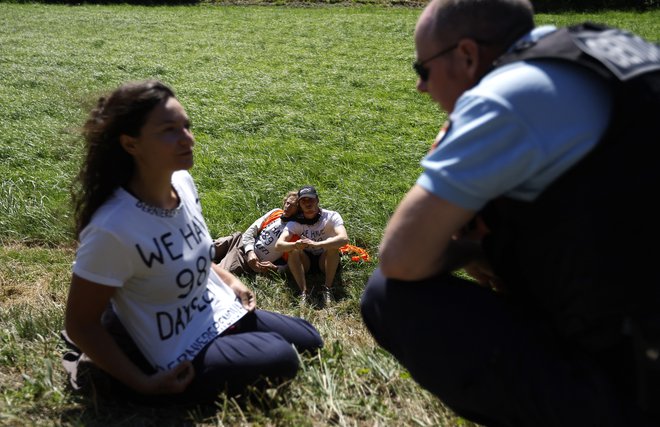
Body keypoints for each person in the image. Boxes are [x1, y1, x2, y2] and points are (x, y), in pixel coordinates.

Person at [360, 0, 660, 425]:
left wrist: (474, 247)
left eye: (422, 69)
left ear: (466, 55)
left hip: (635, 379)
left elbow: (401, 258)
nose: (421, 88)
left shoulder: (509, 96)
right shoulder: (615, 54)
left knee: (388, 296)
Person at [63, 80, 323, 405]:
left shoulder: (182, 183)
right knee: (280, 357)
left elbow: (190, 253)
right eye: (169, 130)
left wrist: (228, 280)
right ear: (131, 144)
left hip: (213, 309)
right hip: (174, 344)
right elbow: (79, 323)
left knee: (310, 340)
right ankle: (111, 368)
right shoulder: (112, 227)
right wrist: (143, 383)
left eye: (186, 126)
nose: (188, 138)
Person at [275, 186, 349, 305]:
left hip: (325, 258)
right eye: (303, 201)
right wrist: (295, 244)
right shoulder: (295, 222)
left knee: (333, 246)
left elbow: (344, 239)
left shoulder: (331, 216)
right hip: (306, 261)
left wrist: (318, 244)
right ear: (299, 204)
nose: (307, 203)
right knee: (292, 250)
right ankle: (304, 292)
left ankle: (327, 288)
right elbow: (279, 245)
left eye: (311, 199)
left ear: (317, 200)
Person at [212, 191, 299, 275]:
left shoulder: (296, 232)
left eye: (293, 206)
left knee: (218, 273)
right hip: (240, 241)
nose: (288, 207)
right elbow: (251, 230)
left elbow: (295, 265)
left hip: (248, 261)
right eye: (287, 203)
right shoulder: (276, 212)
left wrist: (276, 269)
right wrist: (250, 252)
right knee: (206, 247)